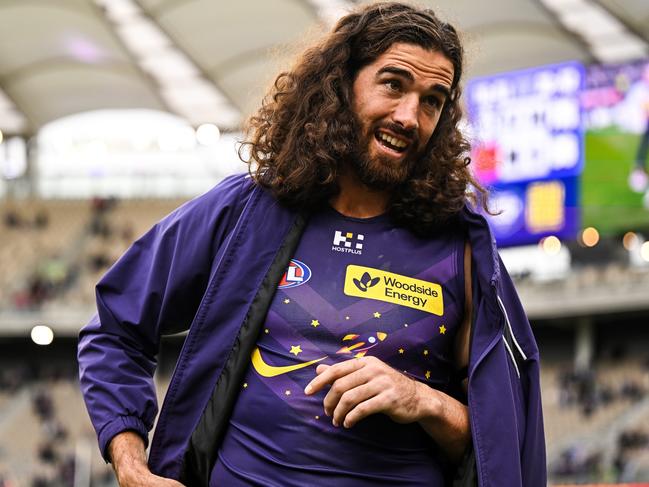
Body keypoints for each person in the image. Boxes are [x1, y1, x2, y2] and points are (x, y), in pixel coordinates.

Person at [78, 3, 546, 486]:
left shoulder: (462, 249)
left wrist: (422, 400)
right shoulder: (245, 212)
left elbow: (501, 441)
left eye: (432, 100)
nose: (409, 116)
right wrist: (132, 467)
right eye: (393, 84)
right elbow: (115, 330)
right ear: (341, 85)